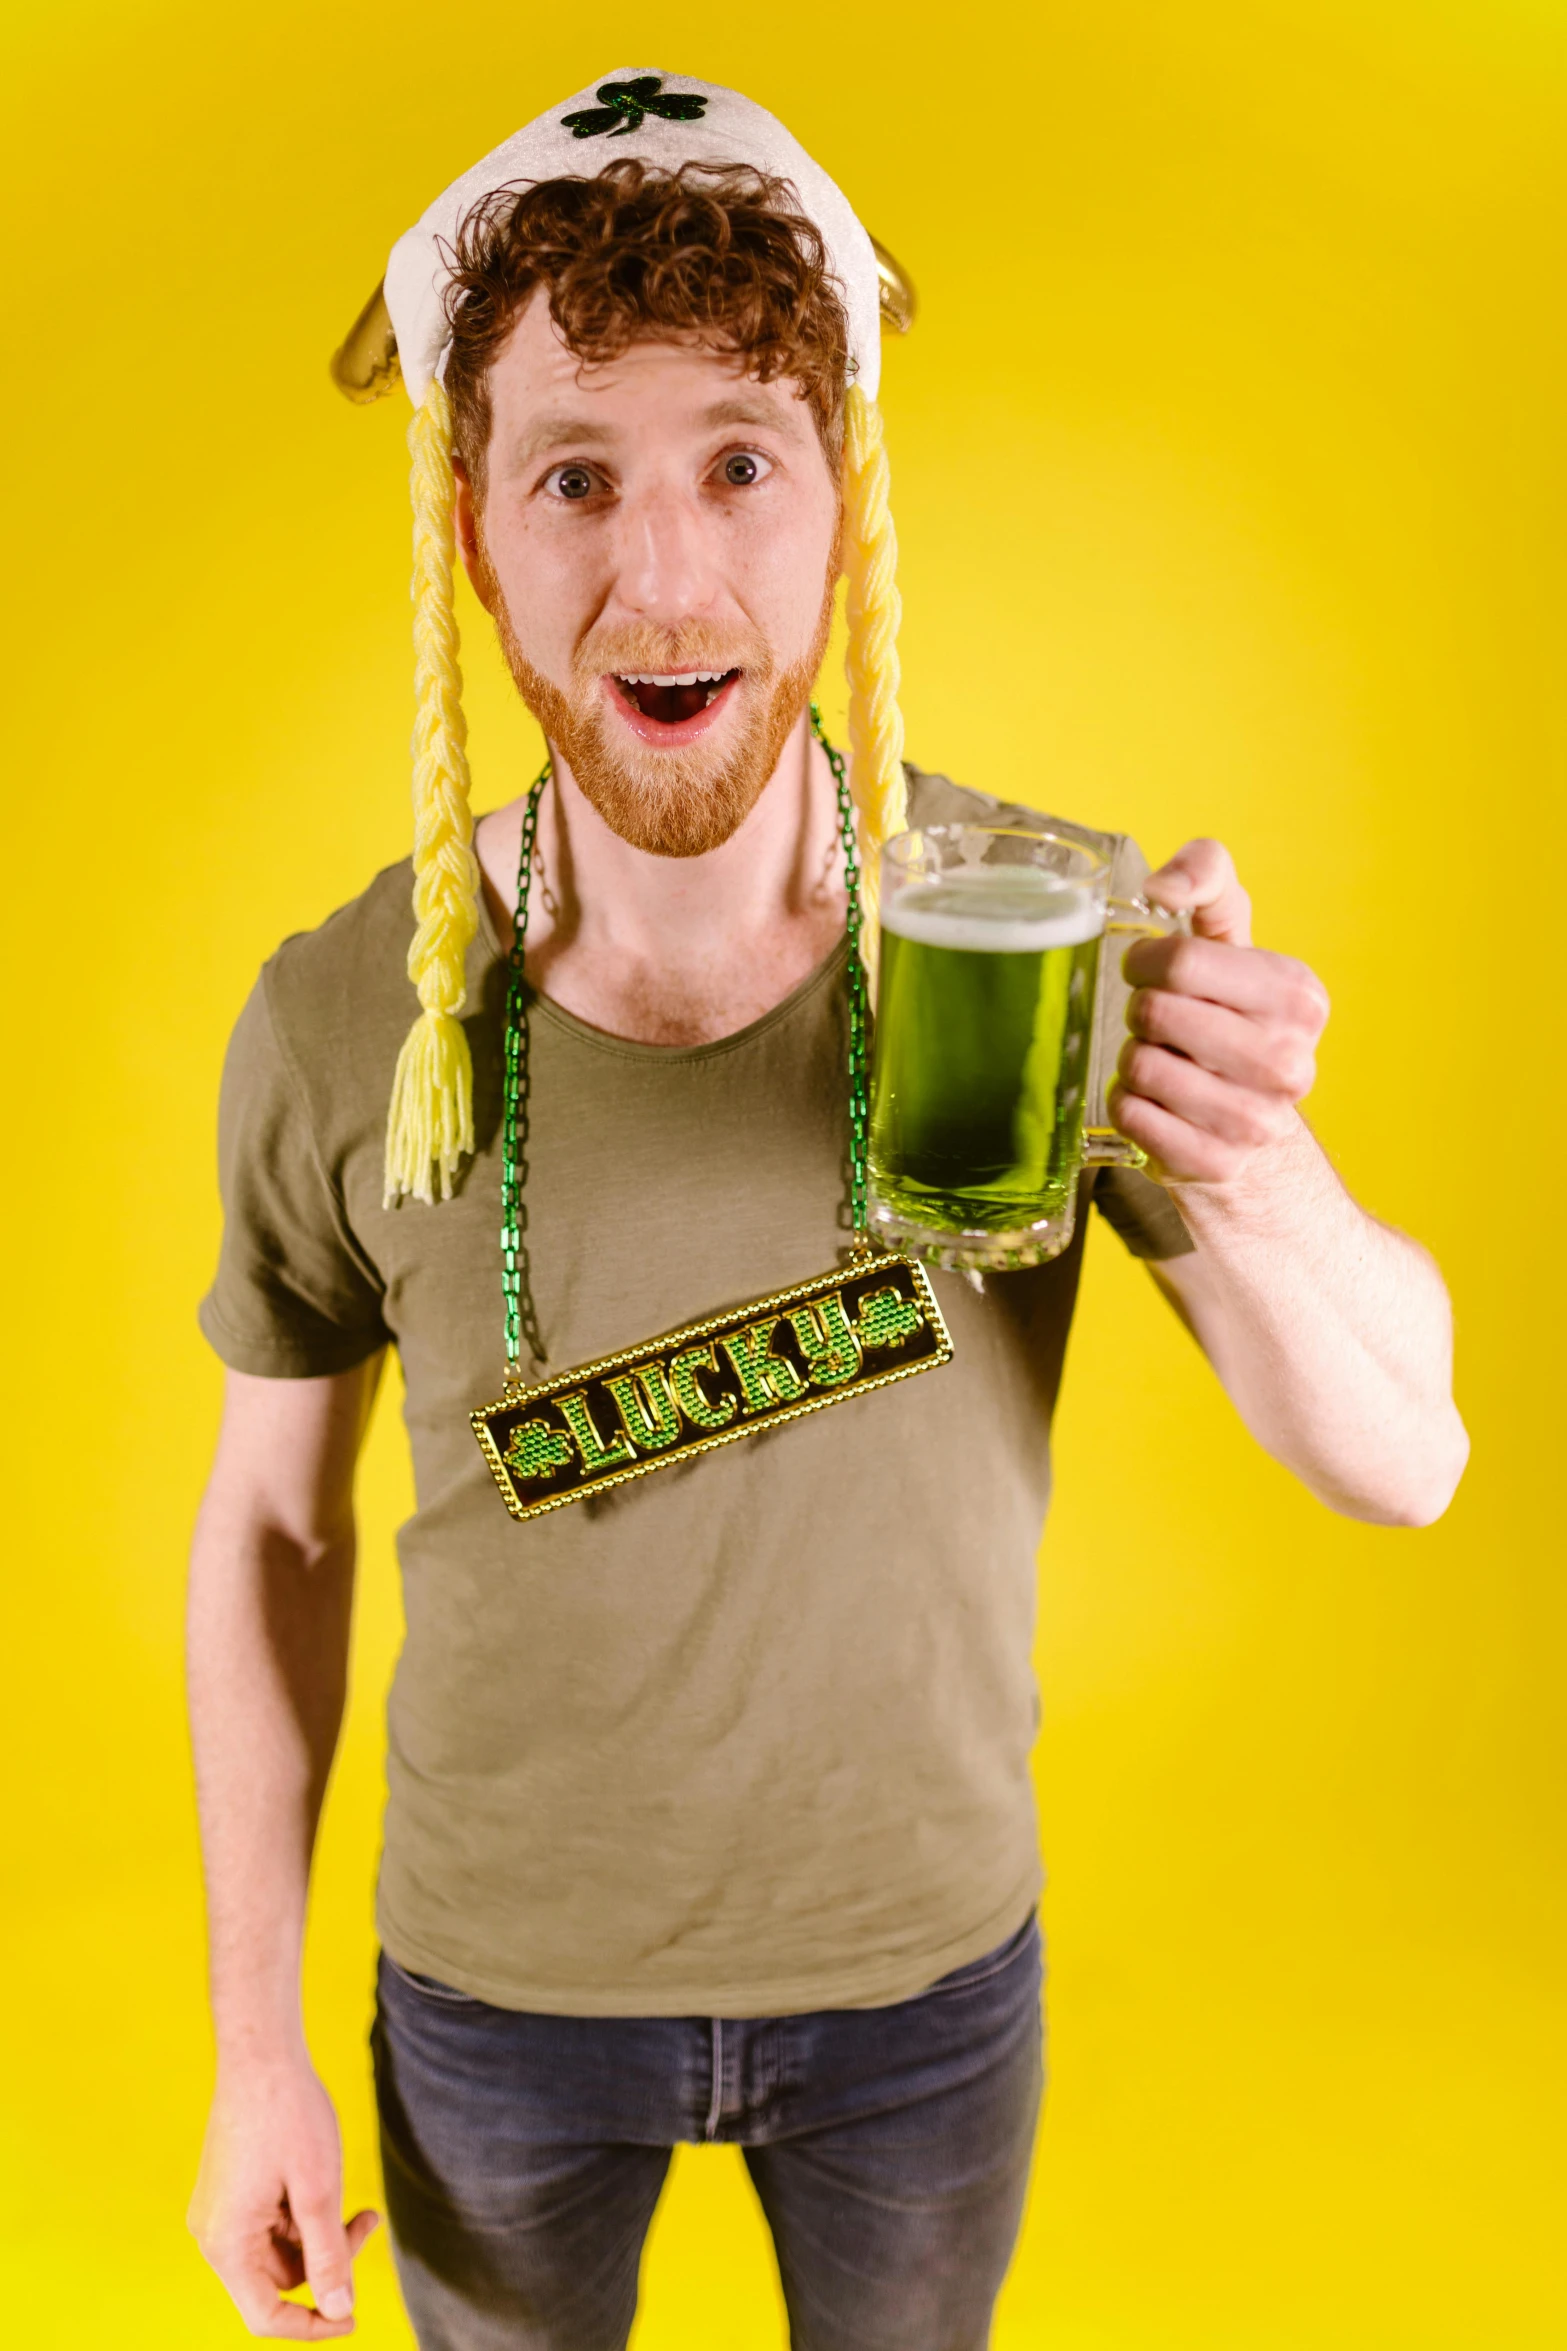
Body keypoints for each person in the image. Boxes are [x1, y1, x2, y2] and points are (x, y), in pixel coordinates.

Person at [185, 70, 1468, 2351]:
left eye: (741, 464)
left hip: (921, 1995)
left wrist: (1245, 1161)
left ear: (842, 500)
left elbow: (1413, 1455)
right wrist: (258, 2044)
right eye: (574, 473)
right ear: (472, 532)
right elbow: (269, 1528)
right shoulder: (337, 1018)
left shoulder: (1040, 934)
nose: (663, 579)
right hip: (493, 1994)